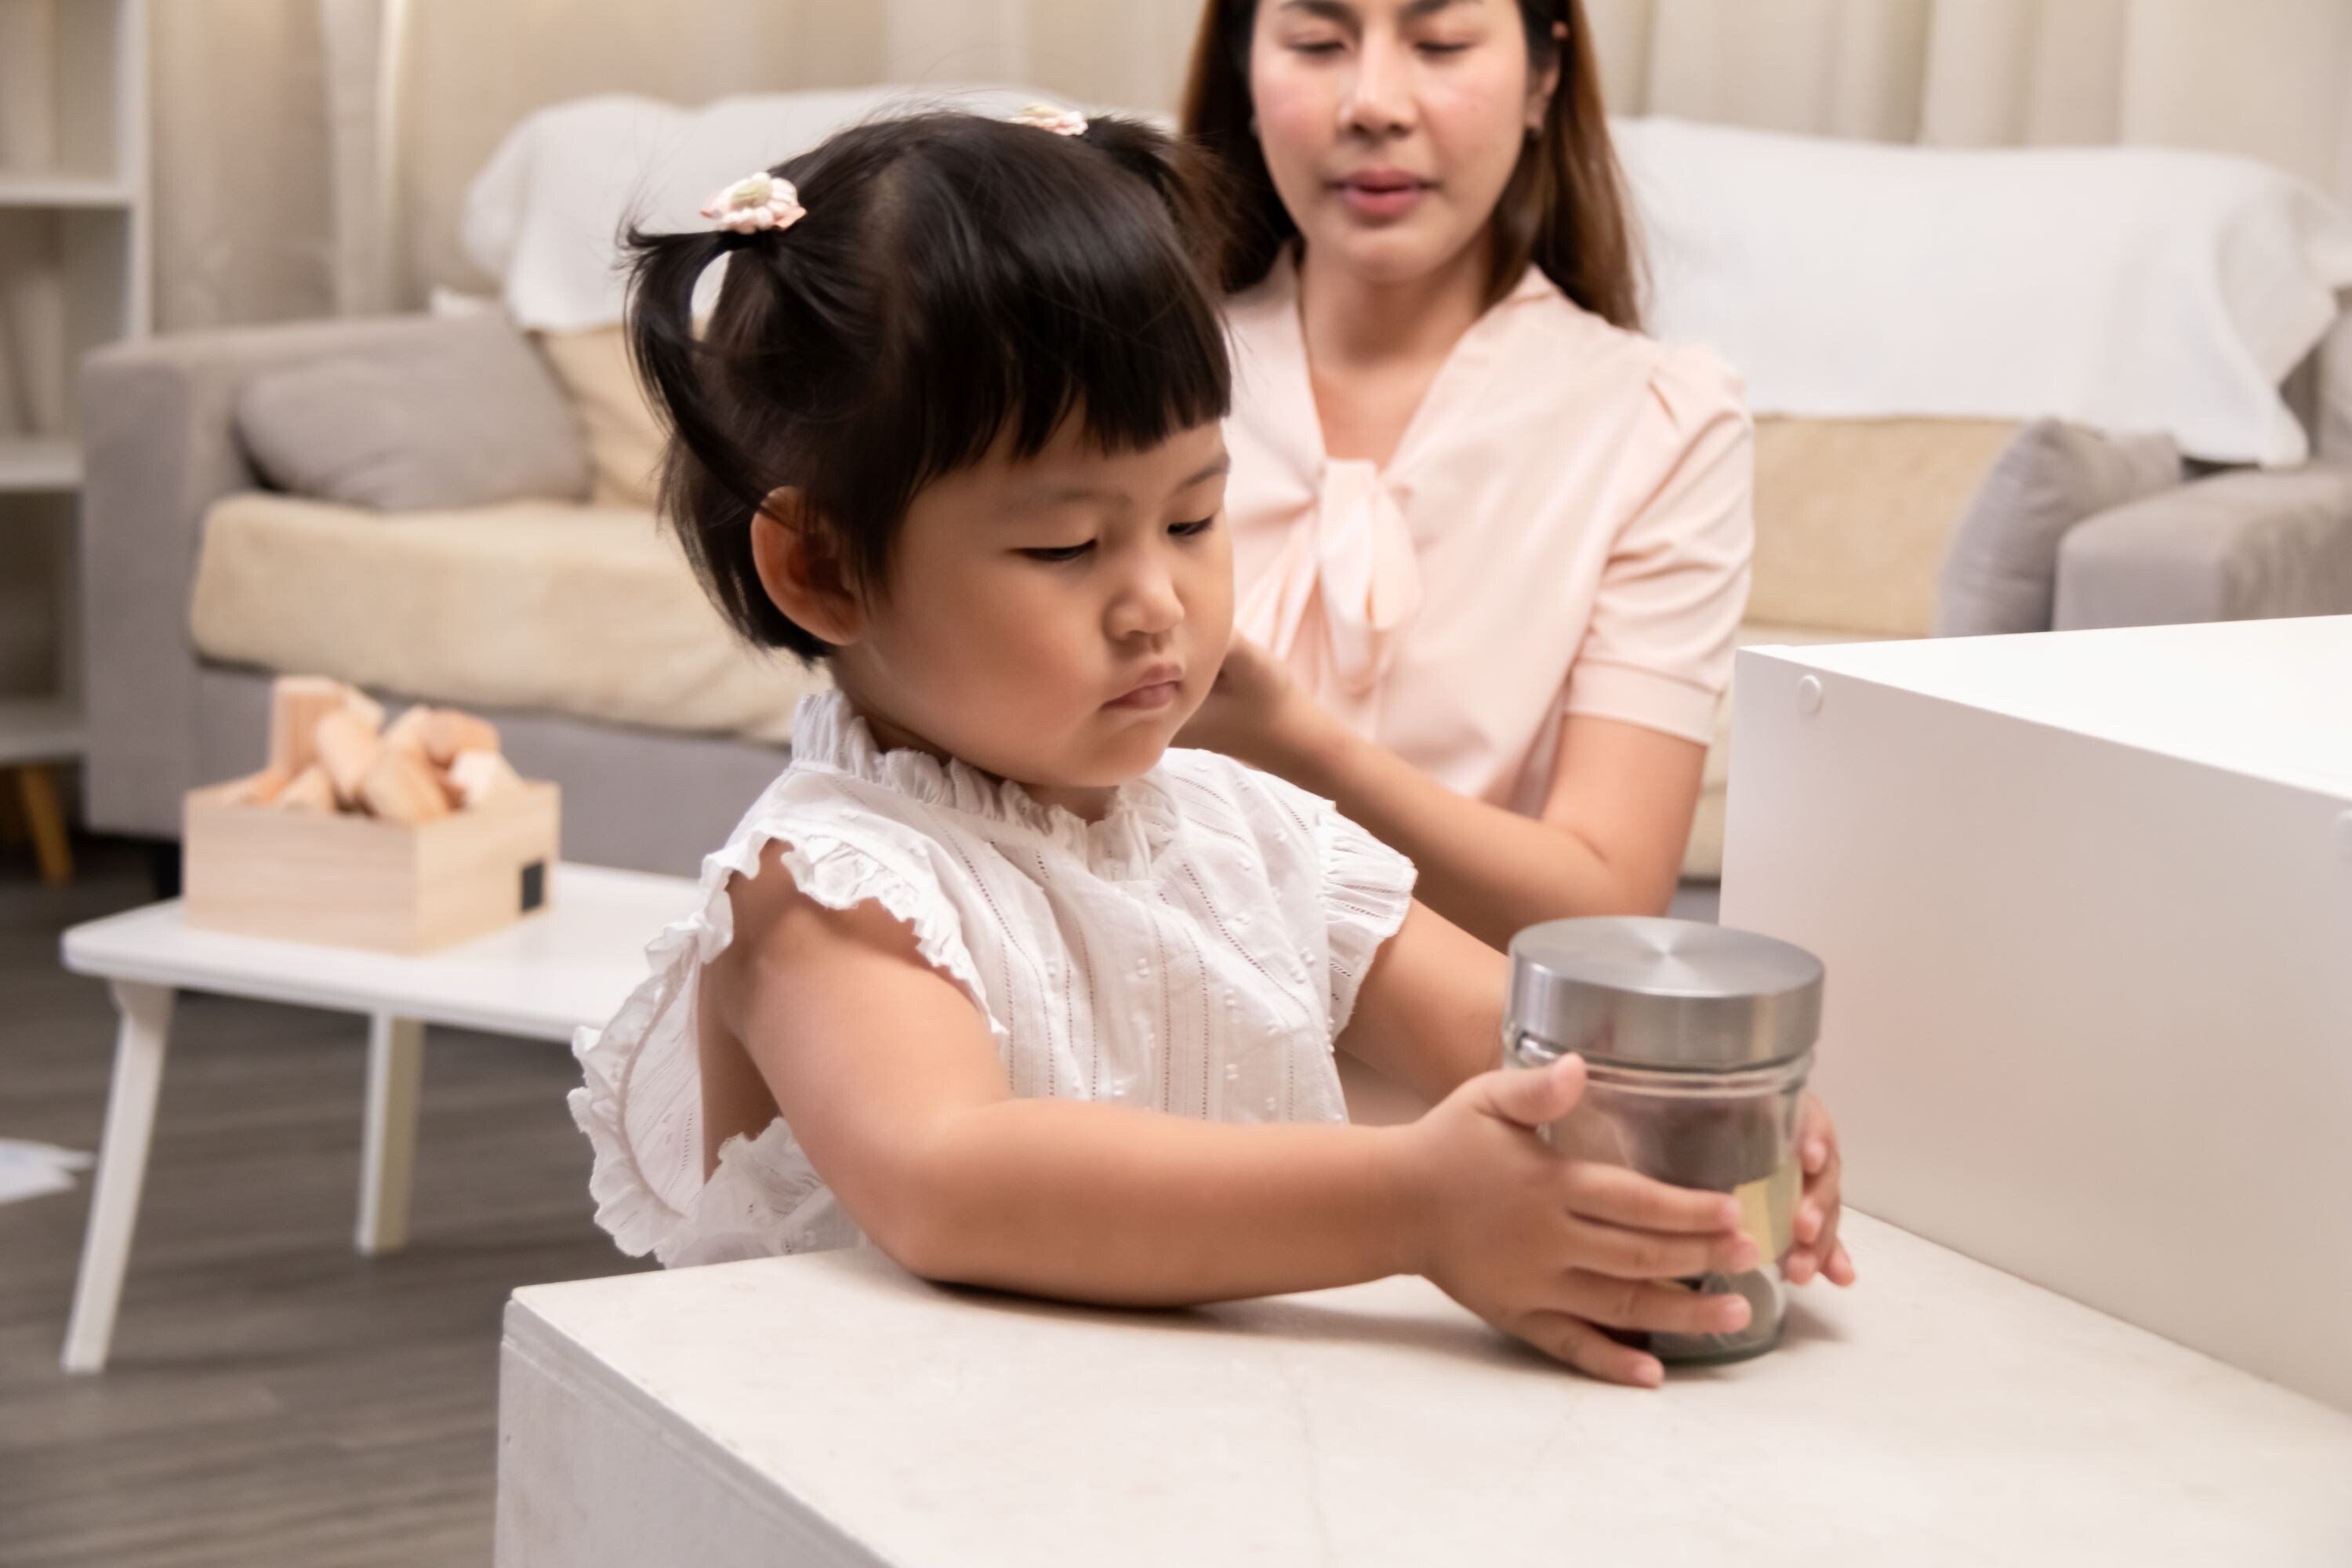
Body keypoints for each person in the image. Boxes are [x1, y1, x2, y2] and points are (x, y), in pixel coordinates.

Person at [573, 106, 1844, 1388]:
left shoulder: (1248, 832)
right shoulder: (835, 889)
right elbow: (952, 1176)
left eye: (1192, 517)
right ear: (824, 570)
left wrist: (1698, 1133)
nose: (1156, 601)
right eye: (1066, 547)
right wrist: (1412, 1202)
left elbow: (1521, 1051)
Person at [1180, 1, 1755, 942]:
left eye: (1439, 43)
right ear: (1244, 68)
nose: (1373, 104)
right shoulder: (1136, 365)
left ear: (1541, 77)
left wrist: (1292, 743)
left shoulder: (1661, 421)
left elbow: (1606, 904)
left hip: (1468, 1062)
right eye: (1319, 44)